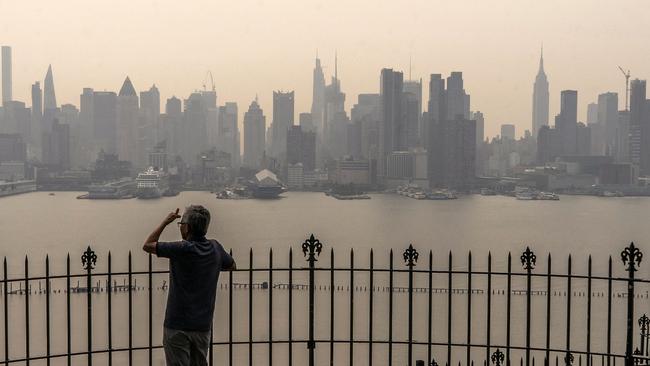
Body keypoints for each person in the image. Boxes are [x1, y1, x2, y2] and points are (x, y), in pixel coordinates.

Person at [143, 205, 236, 366]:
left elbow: (148, 244)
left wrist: (165, 222)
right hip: (202, 325)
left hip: (177, 324)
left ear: (187, 227)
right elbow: (231, 265)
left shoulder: (181, 248)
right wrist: (210, 265)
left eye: (181, 224)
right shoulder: (215, 248)